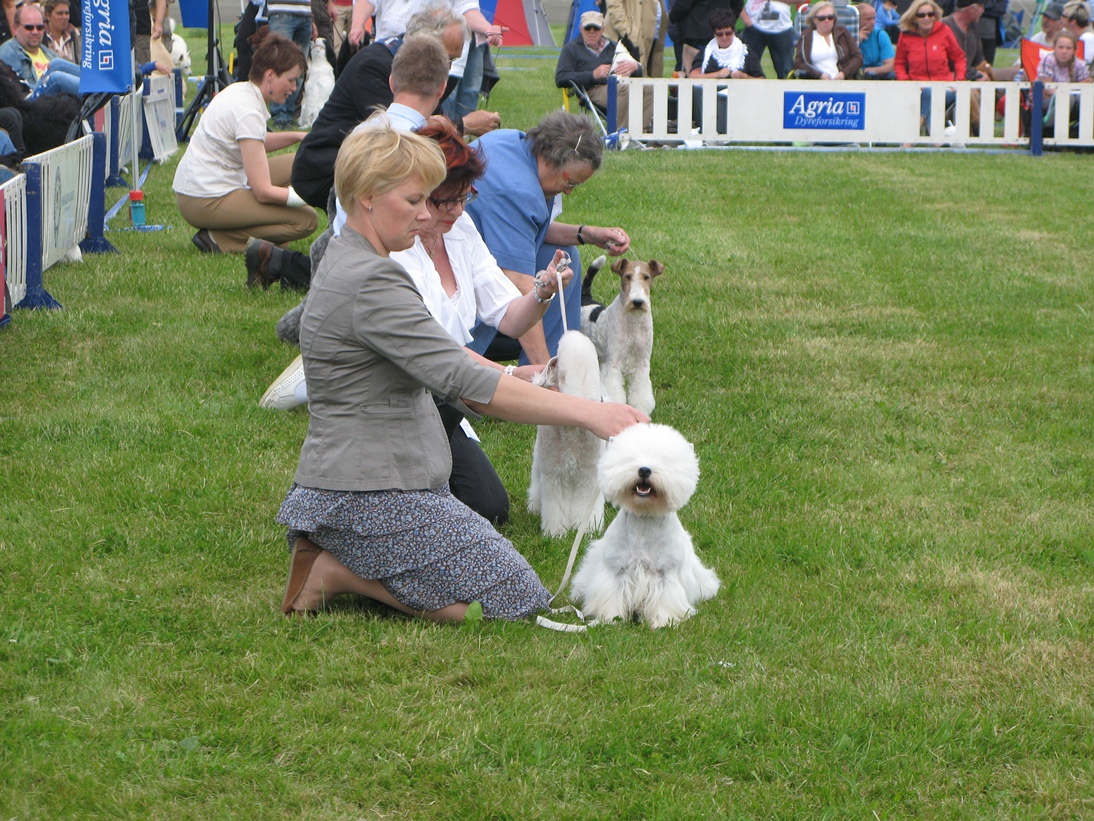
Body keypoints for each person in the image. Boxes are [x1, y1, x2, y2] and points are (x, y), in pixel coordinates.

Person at [276, 124, 648, 622]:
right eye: (414, 201)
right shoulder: (373, 279)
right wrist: (590, 414)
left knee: (505, 585)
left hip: (366, 484)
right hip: (363, 494)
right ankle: (333, 571)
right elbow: (465, 379)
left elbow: (461, 363)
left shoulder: (353, 257)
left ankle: (339, 556)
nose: (427, 213)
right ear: (366, 198)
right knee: (516, 599)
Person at [262, 115, 577, 525]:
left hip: (436, 397)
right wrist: (563, 401)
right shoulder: (384, 259)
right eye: (438, 200)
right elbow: (450, 365)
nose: (453, 211)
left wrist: (540, 292)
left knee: (487, 510)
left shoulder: (457, 228)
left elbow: (505, 320)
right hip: (407, 403)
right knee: (470, 547)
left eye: (466, 198)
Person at [248, 33, 450, 289]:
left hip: (345, 251)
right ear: (442, 88)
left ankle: (281, 263)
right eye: (414, 201)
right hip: (379, 265)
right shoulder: (418, 148)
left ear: (391, 82)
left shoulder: (362, 133)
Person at [465, 110, 632, 366]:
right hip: (462, 307)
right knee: (550, 279)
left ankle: (555, 358)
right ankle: (546, 372)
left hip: (464, 265)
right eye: (570, 183)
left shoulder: (511, 142)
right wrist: (548, 377)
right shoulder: (517, 191)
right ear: (553, 159)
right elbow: (520, 288)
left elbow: (523, 228)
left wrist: (586, 233)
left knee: (566, 256)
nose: (569, 191)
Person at [172, 32, 318, 254]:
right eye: (290, 80)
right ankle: (219, 238)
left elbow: (253, 142)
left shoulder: (242, 91)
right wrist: (308, 196)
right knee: (307, 220)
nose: (293, 88)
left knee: (300, 163)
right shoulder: (247, 110)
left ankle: (257, 235)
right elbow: (263, 191)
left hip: (206, 189)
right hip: (205, 200)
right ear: (270, 75)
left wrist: (299, 137)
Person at [555, 10, 649, 129]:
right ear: (581, 28)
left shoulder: (614, 46)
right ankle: (620, 135)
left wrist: (636, 67)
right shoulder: (571, 49)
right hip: (592, 91)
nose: (592, 32)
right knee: (626, 89)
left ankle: (642, 131)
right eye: (588, 28)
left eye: (596, 28)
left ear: (603, 29)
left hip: (621, 84)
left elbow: (639, 73)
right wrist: (593, 75)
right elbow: (561, 78)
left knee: (649, 87)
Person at [895, 0, 965, 132]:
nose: (926, 18)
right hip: (915, 87)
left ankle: (914, 133)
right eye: (921, 15)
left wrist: (959, 81)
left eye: (930, 14)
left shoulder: (944, 31)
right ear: (914, 17)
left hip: (945, 87)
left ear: (935, 16)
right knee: (928, 93)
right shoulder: (905, 36)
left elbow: (959, 57)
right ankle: (935, 136)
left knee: (929, 93)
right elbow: (899, 63)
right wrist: (905, 82)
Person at [0, 4, 81, 99]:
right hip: (30, 101)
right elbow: (16, 90)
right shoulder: (8, 52)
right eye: (29, 27)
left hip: (56, 100)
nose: (35, 32)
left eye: (40, 28)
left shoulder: (48, 52)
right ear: (15, 28)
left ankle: (94, 83)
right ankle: (94, 92)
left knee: (57, 63)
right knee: (55, 78)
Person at [266, 0, 314, 128]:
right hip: (282, 11)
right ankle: (280, 114)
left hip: (305, 13)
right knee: (280, 67)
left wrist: (311, 16)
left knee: (299, 69)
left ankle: (288, 112)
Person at [792, 1, 863, 79]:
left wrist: (844, 73)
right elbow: (798, 63)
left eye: (830, 17)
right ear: (814, 20)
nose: (827, 21)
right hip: (816, 83)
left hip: (843, 81)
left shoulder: (842, 32)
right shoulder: (806, 36)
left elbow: (858, 57)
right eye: (822, 18)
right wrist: (819, 75)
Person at [687, 7, 764, 77]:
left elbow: (761, 79)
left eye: (728, 33)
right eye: (720, 34)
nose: (724, 37)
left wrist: (743, 76)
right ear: (714, 34)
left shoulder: (746, 52)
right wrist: (717, 74)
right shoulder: (707, 51)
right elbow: (693, 76)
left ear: (734, 32)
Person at [669, 0, 735, 80]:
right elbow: (737, 5)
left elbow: (682, 6)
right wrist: (726, 22)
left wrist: (672, 17)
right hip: (720, 30)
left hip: (696, 34)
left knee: (688, 71)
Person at [604, 0, 667, 78]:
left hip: (652, 31)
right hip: (626, 36)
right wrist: (628, 32)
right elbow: (614, 4)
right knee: (626, 81)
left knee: (651, 79)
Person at [739, 0, 794, 79]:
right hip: (754, 27)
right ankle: (748, 91)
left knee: (785, 70)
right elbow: (735, 2)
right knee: (748, 68)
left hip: (782, 29)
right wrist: (747, 20)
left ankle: (786, 90)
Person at [858, 1, 896, 78]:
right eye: (868, 19)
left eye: (874, 18)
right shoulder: (849, 34)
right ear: (858, 19)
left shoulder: (880, 34)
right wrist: (856, 42)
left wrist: (873, 70)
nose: (873, 22)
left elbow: (891, 65)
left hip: (878, 74)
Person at [1062, 1, 1094, 69]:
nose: (1061, 18)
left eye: (1064, 16)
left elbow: (1080, 69)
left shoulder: (1088, 38)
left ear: (1073, 21)